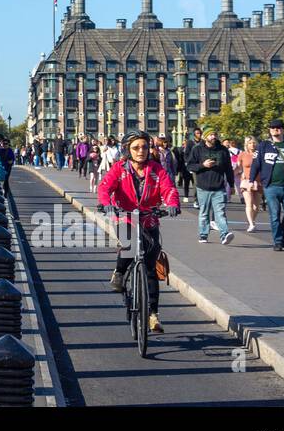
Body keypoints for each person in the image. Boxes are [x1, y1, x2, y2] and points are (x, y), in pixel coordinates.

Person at [98, 129, 180, 334]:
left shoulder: (156, 169)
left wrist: (172, 203)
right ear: (127, 150)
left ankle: (153, 314)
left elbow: (169, 188)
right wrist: (107, 203)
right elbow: (104, 188)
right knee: (129, 244)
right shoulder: (119, 168)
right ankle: (119, 272)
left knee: (151, 266)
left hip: (148, 217)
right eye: (136, 148)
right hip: (125, 215)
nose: (141, 151)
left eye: (145, 147)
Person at [251, 119, 284, 251]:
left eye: (279, 127)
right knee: (274, 214)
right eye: (273, 128)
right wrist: (251, 180)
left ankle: (281, 233)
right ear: (269, 130)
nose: (276, 130)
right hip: (270, 186)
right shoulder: (263, 145)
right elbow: (256, 164)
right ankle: (278, 241)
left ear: (283, 129)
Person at [187, 127, 235, 244]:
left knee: (220, 212)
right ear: (205, 137)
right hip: (203, 187)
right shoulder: (197, 149)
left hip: (219, 186)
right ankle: (203, 234)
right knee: (204, 212)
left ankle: (224, 235)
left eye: (215, 134)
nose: (213, 137)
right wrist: (203, 165)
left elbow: (228, 168)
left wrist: (231, 184)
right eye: (211, 135)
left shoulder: (223, 150)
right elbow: (190, 166)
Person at [236, 136, 260, 232]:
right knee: (249, 204)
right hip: (246, 181)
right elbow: (238, 168)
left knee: (256, 206)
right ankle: (251, 224)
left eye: (253, 143)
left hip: (259, 182)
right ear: (246, 144)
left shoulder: (260, 154)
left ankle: (252, 220)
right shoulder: (242, 155)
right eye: (250, 143)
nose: (252, 145)